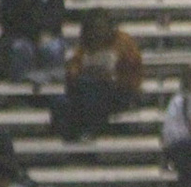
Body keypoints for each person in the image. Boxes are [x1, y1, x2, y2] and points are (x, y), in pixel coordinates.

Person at [54, 12, 142, 141]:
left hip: (119, 91)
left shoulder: (123, 42)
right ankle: (70, 134)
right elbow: (74, 68)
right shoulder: (86, 44)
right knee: (61, 100)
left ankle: (90, 130)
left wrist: (113, 78)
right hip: (89, 88)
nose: (98, 32)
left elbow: (133, 73)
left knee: (91, 90)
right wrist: (83, 72)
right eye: (94, 29)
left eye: (101, 28)